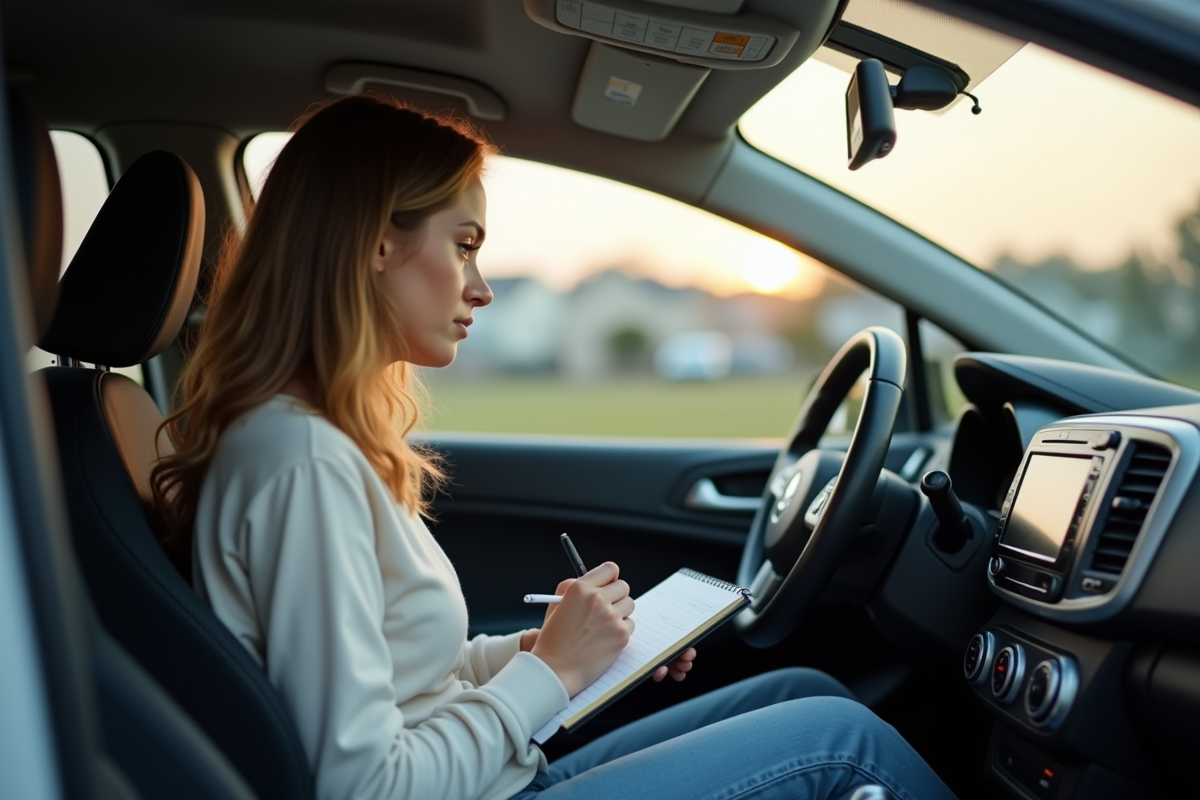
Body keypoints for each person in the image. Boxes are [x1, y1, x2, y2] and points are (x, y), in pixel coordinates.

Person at [151, 94, 956, 800]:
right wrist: (553, 675)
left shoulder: (316, 442)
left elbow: (409, 686)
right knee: (844, 747)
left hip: (491, 775)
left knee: (799, 691)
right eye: (464, 244)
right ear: (375, 244)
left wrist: (549, 652)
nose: (482, 285)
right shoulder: (301, 464)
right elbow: (361, 783)